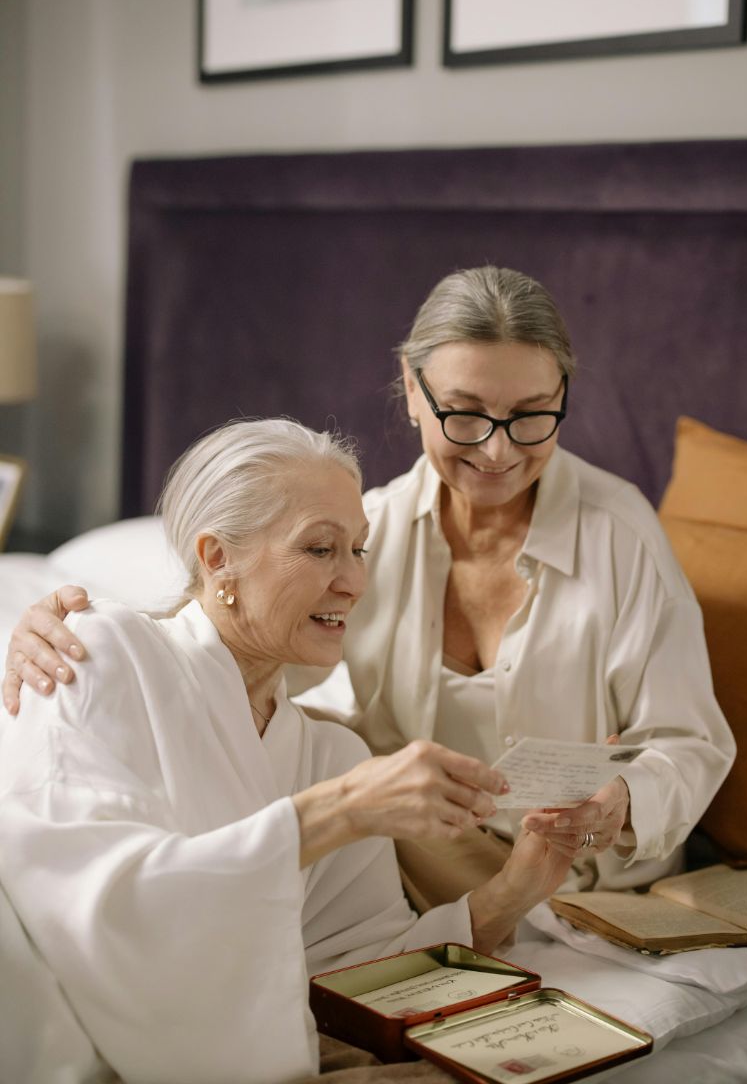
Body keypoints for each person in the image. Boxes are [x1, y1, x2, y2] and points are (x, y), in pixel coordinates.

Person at [3, 266, 735, 906]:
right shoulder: (364, 531)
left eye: (530, 415)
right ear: (412, 391)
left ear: (563, 392)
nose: (499, 449)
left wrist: (625, 805)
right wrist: (78, 631)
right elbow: (232, 635)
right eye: (466, 413)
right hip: (418, 872)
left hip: (593, 889)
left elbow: (689, 740)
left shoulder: (621, 533)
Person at [0, 419, 576, 1084]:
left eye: (359, 550)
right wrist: (337, 812)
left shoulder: (328, 751)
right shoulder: (95, 653)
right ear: (217, 559)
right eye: (320, 549)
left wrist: (515, 889)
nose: (354, 582)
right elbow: (96, 909)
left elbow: (354, 969)